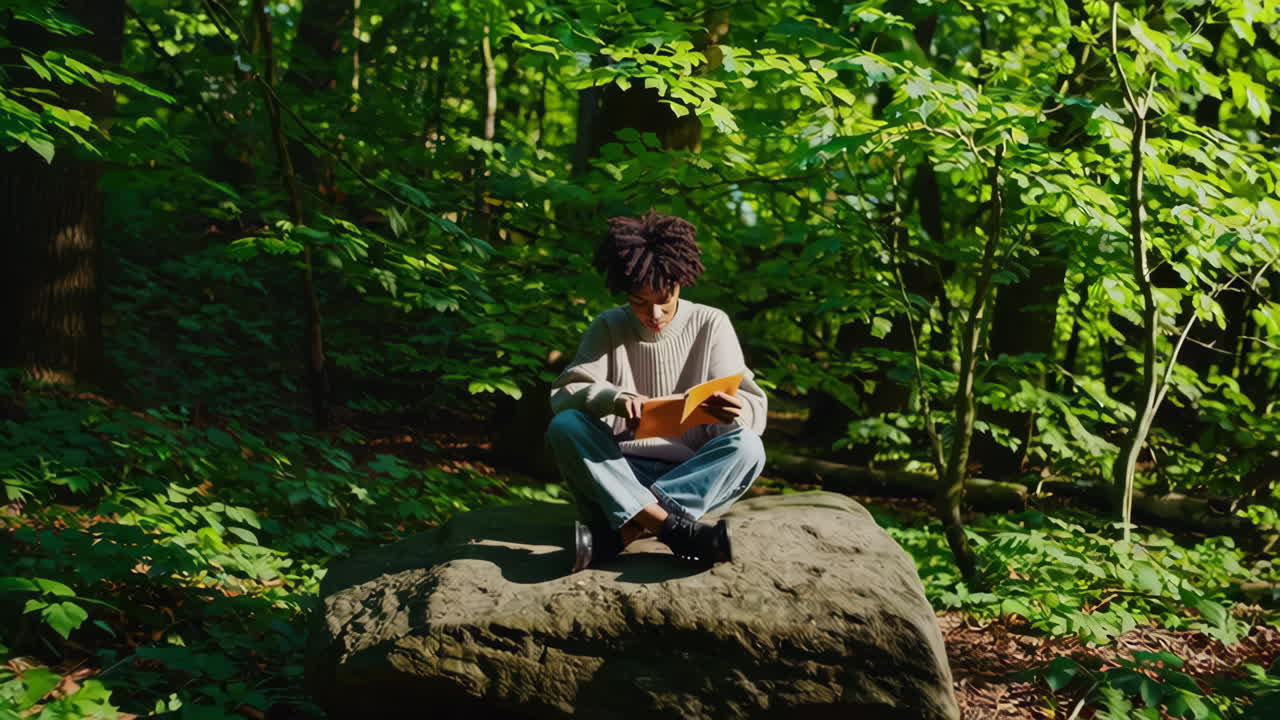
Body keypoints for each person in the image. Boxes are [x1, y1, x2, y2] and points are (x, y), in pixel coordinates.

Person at [544, 209, 767, 572]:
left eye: (665, 299)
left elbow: (753, 412)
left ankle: (625, 530)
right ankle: (676, 531)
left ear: (681, 281)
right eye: (640, 303)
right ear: (625, 293)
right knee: (566, 426)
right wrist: (613, 399)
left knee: (749, 447)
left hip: (693, 476)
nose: (655, 314)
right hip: (618, 472)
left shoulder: (711, 323)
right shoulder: (609, 326)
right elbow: (566, 394)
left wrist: (735, 409)